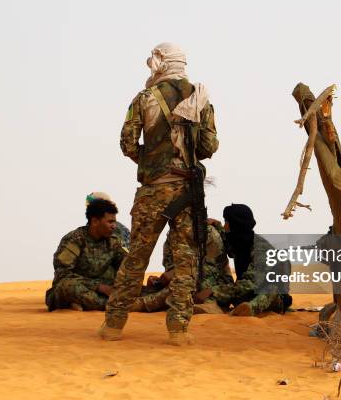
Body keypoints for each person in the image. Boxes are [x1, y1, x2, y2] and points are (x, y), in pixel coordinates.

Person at [100, 42, 219, 345]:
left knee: (136, 257)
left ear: (161, 62)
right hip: (187, 191)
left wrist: (151, 160)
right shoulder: (200, 97)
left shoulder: (144, 98)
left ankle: (113, 325)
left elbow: (127, 143)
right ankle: (178, 330)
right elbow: (209, 146)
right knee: (185, 263)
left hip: (152, 191)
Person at [193, 204, 293, 316]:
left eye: (227, 222)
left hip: (269, 295)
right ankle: (212, 306)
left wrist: (213, 291)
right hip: (244, 293)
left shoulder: (261, 249)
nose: (225, 226)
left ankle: (249, 309)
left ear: (235, 225)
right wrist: (217, 225)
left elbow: (250, 284)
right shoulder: (241, 241)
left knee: (269, 291)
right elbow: (228, 243)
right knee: (212, 271)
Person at [45, 198, 127, 311]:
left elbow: (126, 267)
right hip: (79, 288)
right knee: (67, 287)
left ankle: (85, 304)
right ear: (95, 221)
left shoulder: (113, 242)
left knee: (140, 289)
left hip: (105, 288)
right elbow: (62, 275)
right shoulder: (75, 240)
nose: (114, 226)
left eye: (114, 222)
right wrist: (99, 287)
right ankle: (115, 304)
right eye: (110, 222)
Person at [132, 223, 233, 314]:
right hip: (185, 279)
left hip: (208, 282)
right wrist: (160, 280)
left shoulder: (208, 233)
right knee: (145, 289)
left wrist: (175, 273)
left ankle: (143, 304)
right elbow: (170, 265)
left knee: (182, 284)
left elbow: (209, 268)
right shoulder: (172, 235)